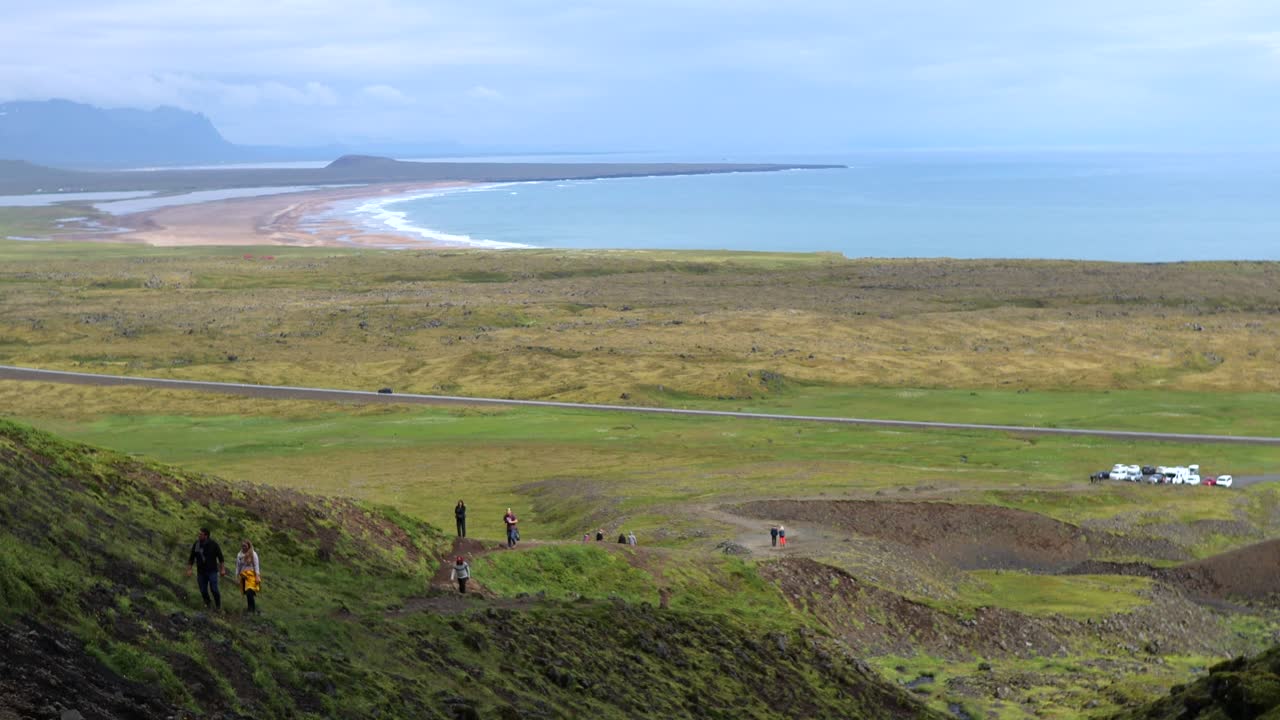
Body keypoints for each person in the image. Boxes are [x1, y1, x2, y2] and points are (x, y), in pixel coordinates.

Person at [186, 528, 226, 610]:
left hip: (212, 571)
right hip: (201, 571)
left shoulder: (214, 544)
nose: (199, 536)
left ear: (206, 536)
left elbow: (221, 558)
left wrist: (222, 569)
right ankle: (208, 604)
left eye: (201, 534)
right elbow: (192, 558)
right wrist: (189, 569)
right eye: (199, 534)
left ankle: (218, 606)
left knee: (214, 589)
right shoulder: (197, 544)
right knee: (203, 590)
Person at [236, 540, 261, 614]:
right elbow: (238, 566)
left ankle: (252, 609)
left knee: (249, 591)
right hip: (243, 575)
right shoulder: (239, 555)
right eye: (242, 546)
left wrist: (257, 576)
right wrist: (237, 576)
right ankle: (249, 608)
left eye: (245, 546)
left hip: (251, 576)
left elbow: (256, 566)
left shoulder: (253, 554)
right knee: (246, 593)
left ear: (248, 546)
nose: (243, 547)